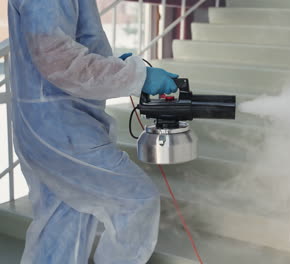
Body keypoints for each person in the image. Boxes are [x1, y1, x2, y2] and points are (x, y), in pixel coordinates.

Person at [7, 0, 178, 263]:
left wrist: (111, 66)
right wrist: (136, 77)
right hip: (60, 126)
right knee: (136, 202)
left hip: (54, 122)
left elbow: (69, 45)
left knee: (64, 219)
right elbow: (57, 59)